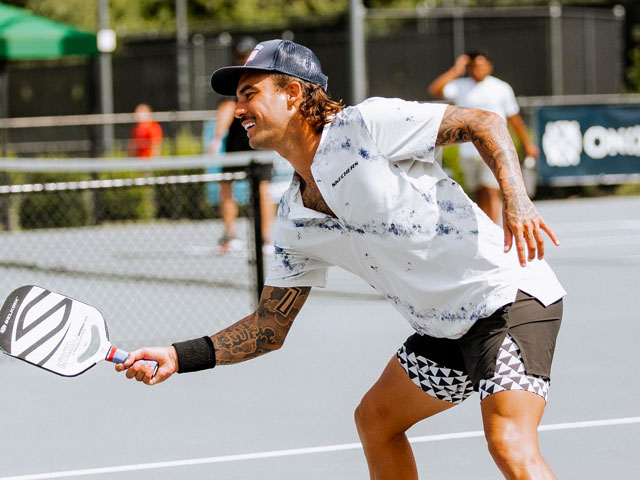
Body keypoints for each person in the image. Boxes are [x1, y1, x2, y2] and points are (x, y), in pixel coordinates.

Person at [117, 39, 566, 480]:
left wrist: (516, 201)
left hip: (507, 298)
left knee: (508, 441)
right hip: (445, 330)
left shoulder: (364, 126)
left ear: (292, 93)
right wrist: (180, 356)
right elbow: (268, 329)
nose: (239, 110)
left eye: (250, 94)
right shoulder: (293, 218)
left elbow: (484, 121)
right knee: (376, 421)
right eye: (238, 99)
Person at [428, 51, 539, 224]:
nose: (478, 70)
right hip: (469, 150)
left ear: (489, 66)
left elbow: (514, 118)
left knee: (491, 190)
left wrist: (527, 144)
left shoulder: (501, 88)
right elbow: (435, 89)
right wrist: (456, 70)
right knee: (479, 193)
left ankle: (494, 231)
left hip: (494, 146)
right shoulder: (460, 86)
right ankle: (485, 228)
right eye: (473, 66)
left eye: (481, 65)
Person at [209, 37, 275, 254]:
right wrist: (218, 137)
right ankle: (230, 234)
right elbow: (227, 108)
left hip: (258, 142)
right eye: (240, 55)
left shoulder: (265, 80)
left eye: (246, 55)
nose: (243, 58)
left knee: (263, 189)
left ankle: (265, 239)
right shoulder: (234, 82)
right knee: (226, 186)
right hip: (235, 145)